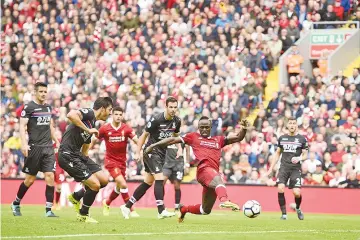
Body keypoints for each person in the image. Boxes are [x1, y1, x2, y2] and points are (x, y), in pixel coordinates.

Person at [145, 116, 250, 222]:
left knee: (205, 210)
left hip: (212, 174)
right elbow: (173, 139)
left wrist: (244, 128)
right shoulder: (193, 137)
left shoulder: (219, 140)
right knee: (219, 180)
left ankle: (184, 209)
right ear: (198, 128)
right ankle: (224, 200)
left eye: (206, 127)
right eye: (201, 127)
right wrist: (154, 145)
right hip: (203, 170)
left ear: (210, 127)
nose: (204, 129)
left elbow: (238, 137)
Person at [120, 97, 181, 219]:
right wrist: (138, 152)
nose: (173, 109)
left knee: (148, 182)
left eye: (175, 107)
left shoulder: (177, 121)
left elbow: (175, 135)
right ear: (166, 106)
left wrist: (179, 147)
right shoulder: (156, 119)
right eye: (171, 107)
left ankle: (127, 206)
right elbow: (144, 135)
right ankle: (161, 210)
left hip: (162, 153)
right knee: (159, 177)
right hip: (150, 151)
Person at [58, 97, 113, 223]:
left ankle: (76, 196)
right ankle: (83, 214)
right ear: (103, 108)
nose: (110, 113)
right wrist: (88, 130)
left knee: (103, 180)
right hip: (67, 154)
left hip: (77, 155)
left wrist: (85, 164)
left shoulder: (92, 122)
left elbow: (86, 145)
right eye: (110, 109)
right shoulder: (89, 113)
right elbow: (70, 115)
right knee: (95, 185)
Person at [11, 82, 60, 217]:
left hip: (48, 148)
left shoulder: (48, 107)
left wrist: (56, 140)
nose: (43, 94)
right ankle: (16, 203)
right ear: (35, 92)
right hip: (34, 148)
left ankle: (49, 210)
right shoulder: (28, 107)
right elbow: (22, 127)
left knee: (50, 177)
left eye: (45, 91)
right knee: (30, 180)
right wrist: (23, 143)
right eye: (41, 91)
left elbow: (50, 126)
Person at [91, 106, 140, 217]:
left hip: (122, 162)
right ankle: (130, 208)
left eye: (120, 115)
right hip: (110, 161)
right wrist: (87, 151)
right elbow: (94, 139)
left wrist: (140, 150)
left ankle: (107, 202)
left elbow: (137, 140)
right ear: (112, 115)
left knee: (119, 187)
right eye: (116, 114)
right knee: (123, 183)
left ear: (122, 116)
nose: (118, 117)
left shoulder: (126, 128)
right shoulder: (105, 128)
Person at [266, 117, 308, 220]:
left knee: (296, 192)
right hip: (284, 168)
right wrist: (271, 168)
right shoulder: (282, 138)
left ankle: (298, 208)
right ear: (287, 126)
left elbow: (305, 155)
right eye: (290, 123)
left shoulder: (302, 139)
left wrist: (299, 158)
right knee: (280, 188)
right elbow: (277, 153)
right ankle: (284, 214)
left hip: (295, 169)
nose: (292, 125)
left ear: (296, 125)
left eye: (294, 123)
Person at [163, 143, 190, 211]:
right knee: (162, 182)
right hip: (167, 164)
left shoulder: (182, 138)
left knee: (177, 185)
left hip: (178, 164)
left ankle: (177, 206)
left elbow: (187, 149)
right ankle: (161, 204)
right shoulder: (166, 136)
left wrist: (187, 164)